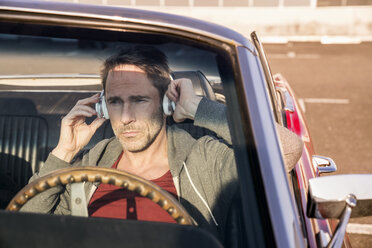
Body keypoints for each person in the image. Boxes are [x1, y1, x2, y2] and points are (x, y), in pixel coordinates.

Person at [21, 45, 302, 242]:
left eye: (139, 101)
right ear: (104, 109)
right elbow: (27, 230)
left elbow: (286, 150)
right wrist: (64, 152)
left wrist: (197, 107)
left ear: (167, 101)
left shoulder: (204, 157)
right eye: (115, 103)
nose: (126, 118)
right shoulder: (92, 162)